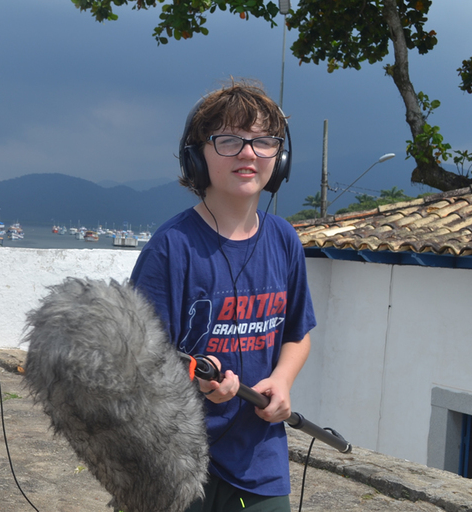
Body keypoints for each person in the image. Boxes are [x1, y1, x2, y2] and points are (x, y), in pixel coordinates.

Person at [130, 79, 316, 512]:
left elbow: (298, 333)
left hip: (260, 456)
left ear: (280, 158)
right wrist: (197, 382)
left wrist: (283, 380)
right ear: (196, 156)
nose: (249, 153)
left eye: (264, 141)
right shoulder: (172, 247)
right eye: (230, 140)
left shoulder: (284, 239)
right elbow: (136, 360)